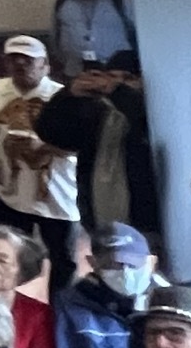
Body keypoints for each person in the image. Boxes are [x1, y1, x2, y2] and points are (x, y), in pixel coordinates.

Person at [0, 35, 75, 278]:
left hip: (55, 193)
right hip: (8, 192)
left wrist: (44, 146)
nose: (21, 65)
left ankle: (57, 305)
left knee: (60, 256)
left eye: (28, 60)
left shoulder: (65, 98)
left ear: (45, 64)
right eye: (14, 60)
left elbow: (79, 147)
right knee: (10, 251)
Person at [36, 52, 156, 244]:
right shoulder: (97, 111)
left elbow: (138, 119)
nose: (118, 84)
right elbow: (51, 133)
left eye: (127, 78)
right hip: (99, 220)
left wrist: (117, 91)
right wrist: (68, 96)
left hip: (144, 223)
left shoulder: (154, 113)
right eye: (112, 77)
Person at [51, 221, 158, 348]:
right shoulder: (72, 302)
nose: (125, 272)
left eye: (134, 264)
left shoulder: (167, 301)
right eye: (114, 265)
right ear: (93, 263)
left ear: (151, 262)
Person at [49, 0, 135, 77]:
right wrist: (60, 58)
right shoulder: (64, 1)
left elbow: (134, 29)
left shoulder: (117, 0)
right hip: (76, 68)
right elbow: (55, 32)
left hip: (114, 69)